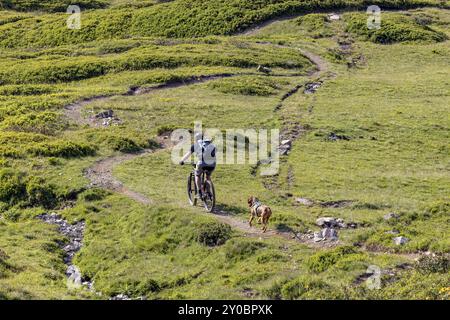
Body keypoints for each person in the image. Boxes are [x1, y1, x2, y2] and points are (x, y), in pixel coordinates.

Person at [180, 133, 216, 199]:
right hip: (212, 164)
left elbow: (187, 155)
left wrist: (182, 160)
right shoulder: (209, 144)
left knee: (197, 175)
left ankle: (199, 193)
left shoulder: (195, 145)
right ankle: (209, 193)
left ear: (196, 139)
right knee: (208, 177)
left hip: (202, 163)